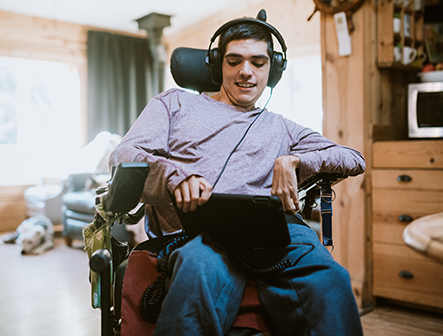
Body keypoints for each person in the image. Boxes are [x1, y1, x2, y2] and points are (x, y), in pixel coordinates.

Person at [109, 11, 365, 336]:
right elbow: (124, 155)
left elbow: (353, 158)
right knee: (198, 269)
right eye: (234, 61)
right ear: (217, 65)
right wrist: (175, 176)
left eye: (258, 62)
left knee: (333, 281)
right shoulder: (174, 105)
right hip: (200, 236)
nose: (246, 72)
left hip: (275, 237)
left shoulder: (281, 127)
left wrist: (296, 162)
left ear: (272, 69)